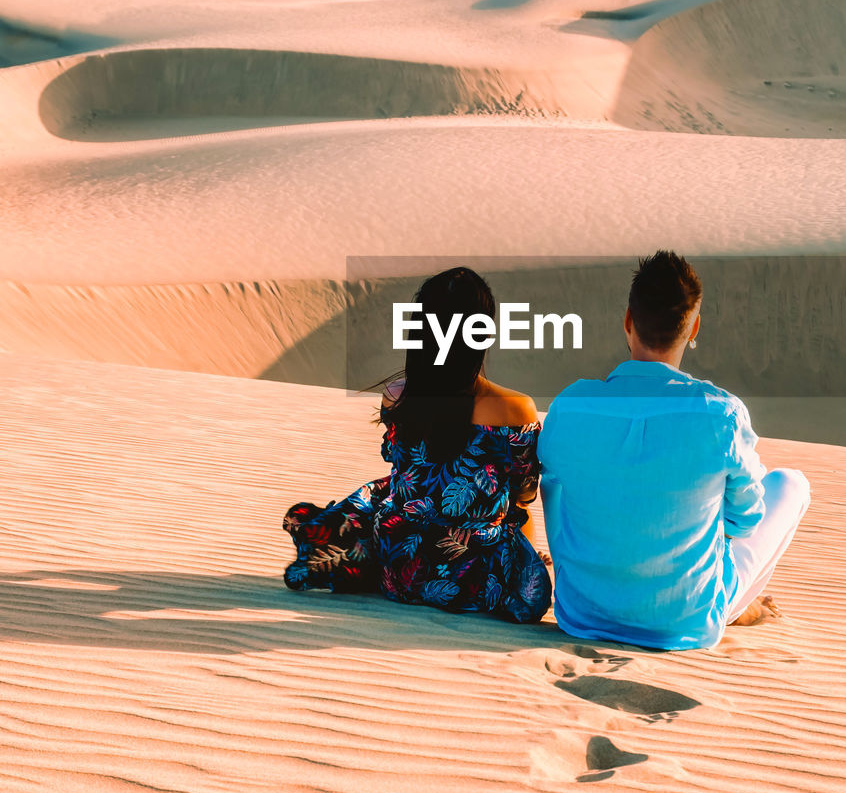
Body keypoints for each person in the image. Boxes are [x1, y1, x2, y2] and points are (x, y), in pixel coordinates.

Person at [538, 251, 810, 651]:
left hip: (582, 612)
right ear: (694, 327)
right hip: (685, 620)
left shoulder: (570, 406)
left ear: (628, 321)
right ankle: (735, 604)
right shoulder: (721, 415)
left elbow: (553, 491)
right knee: (791, 483)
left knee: (557, 484)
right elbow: (748, 519)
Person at [282, 266, 552, 625]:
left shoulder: (397, 397)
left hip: (400, 567)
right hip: (467, 574)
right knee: (517, 513)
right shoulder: (514, 408)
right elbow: (524, 493)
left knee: (386, 493)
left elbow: (400, 464)